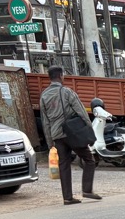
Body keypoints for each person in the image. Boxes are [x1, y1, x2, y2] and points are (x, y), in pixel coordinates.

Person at [38, 66, 99, 205]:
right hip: (71, 133)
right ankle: (87, 190)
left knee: (64, 165)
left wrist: (50, 142)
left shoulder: (44, 96)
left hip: (56, 135)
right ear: (60, 76)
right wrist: (89, 128)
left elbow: (45, 121)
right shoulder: (66, 92)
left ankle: (67, 197)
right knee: (89, 159)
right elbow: (81, 111)